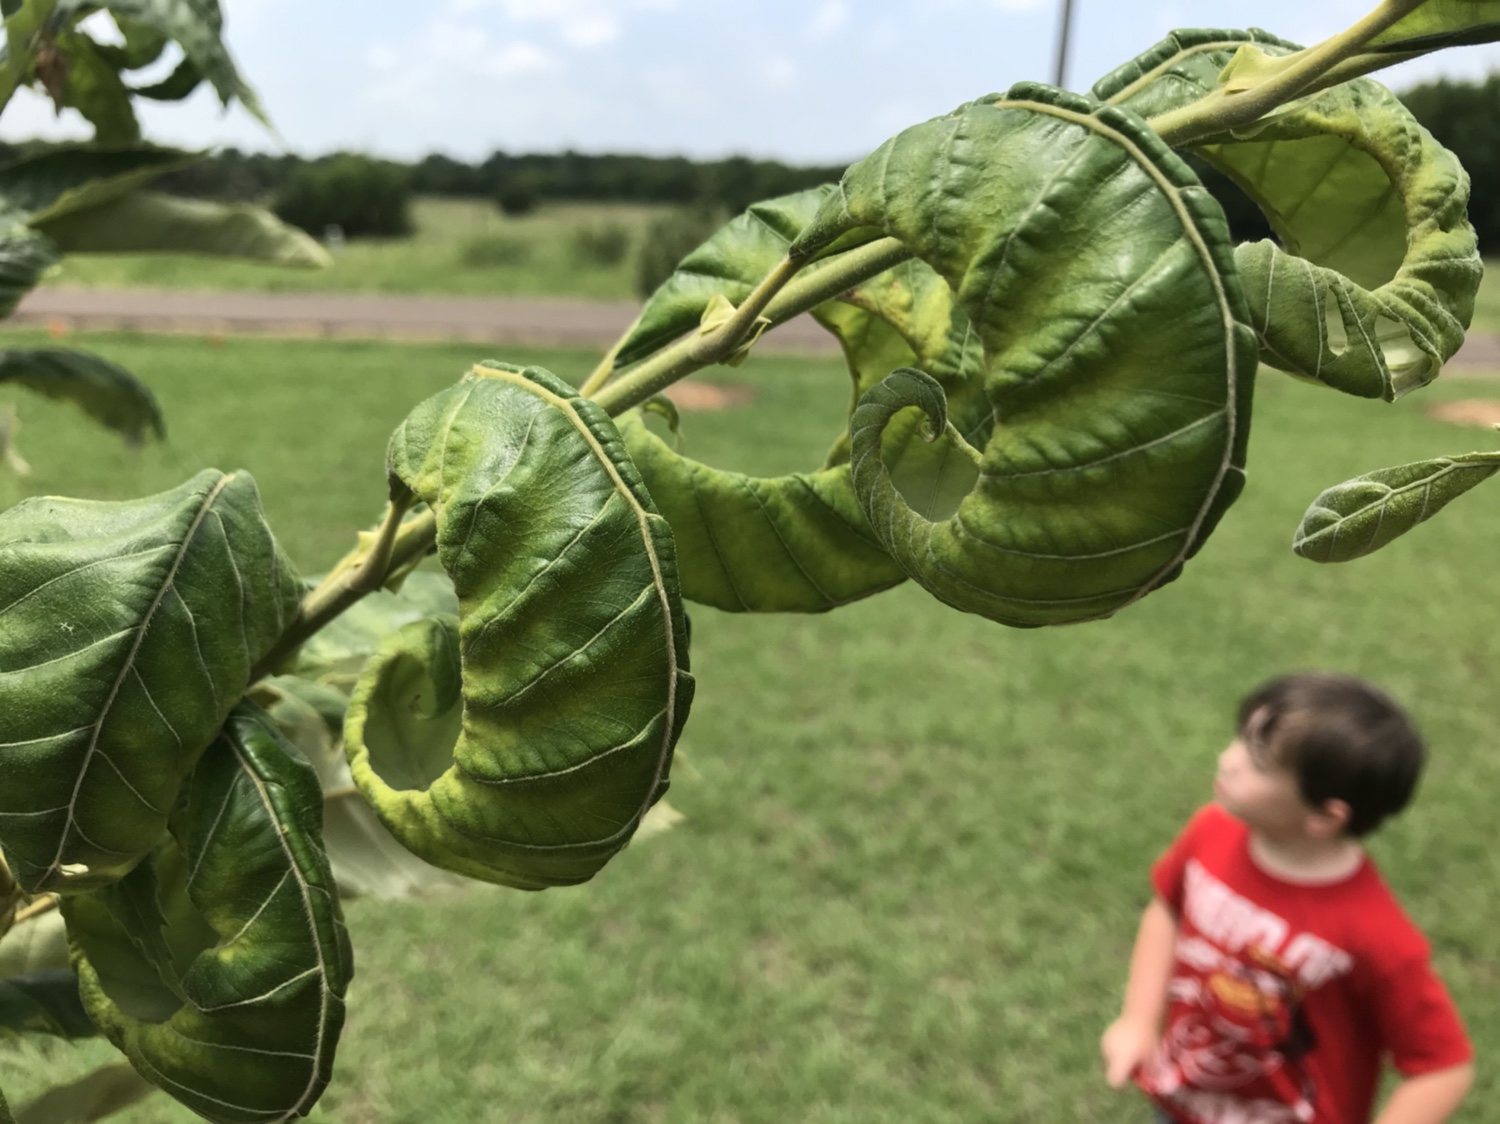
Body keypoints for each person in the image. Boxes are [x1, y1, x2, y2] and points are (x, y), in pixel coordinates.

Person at [1100, 673, 1474, 1124]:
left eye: (1257, 762)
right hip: (1182, 1100)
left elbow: (1443, 1067)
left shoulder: (1374, 933)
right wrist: (1139, 1020)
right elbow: (1167, 910)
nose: (1228, 760)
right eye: (1240, 739)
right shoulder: (1211, 831)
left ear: (1325, 815)